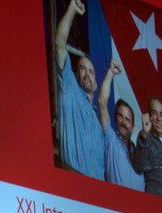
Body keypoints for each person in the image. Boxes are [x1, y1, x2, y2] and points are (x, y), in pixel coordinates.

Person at [55, 0, 104, 180]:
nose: (87, 74)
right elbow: (60, 44)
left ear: (96, 83)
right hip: (73, 186)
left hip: (97, 196)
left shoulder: (99, 124)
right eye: (82, 69)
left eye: (91, 71)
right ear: (75, 75)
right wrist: (72, 10)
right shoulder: (70, 91)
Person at [98, 59, 144, 190]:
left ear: (133, 127)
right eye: (120, 116)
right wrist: (111, 73)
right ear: (115, 119)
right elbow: (102, 104)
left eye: (127, 119)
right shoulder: (111, 140)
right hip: (117, 207)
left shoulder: (139, 154)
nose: (123, 122)